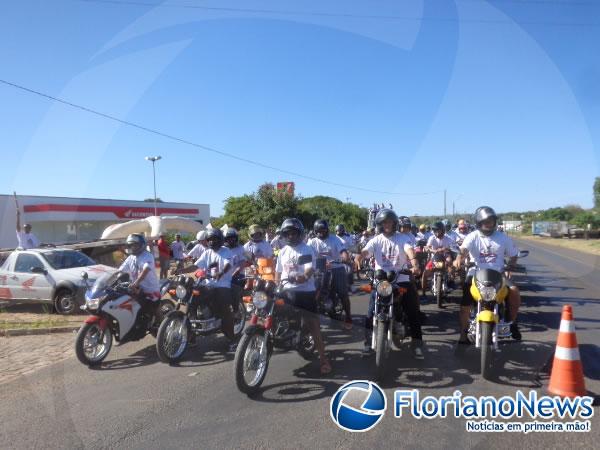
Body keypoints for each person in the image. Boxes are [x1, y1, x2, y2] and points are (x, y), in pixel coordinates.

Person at [356, 209, 424, 358]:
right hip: (381, 281)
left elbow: (409, 250)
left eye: (390, 222)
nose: (387, 225)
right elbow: (366, 251)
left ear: (395, 223)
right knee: (370, 313)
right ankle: (367, 344)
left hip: (401, 279)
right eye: (384, 222)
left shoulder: (402, 238)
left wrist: (414, 264)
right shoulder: (376, 240)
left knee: (413, 311)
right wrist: (359, 258)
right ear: (380, 224)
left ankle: (417, 344)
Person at [454, 206, 522, 344]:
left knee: (514, 291)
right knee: (465, 304)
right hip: (475, 273)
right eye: (486, 221)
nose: (489, 223)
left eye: (491, 221)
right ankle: (462, 335)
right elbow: (464, 250)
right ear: (479, 222)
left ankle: (512, 323)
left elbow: (514, 254)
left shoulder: (503, 238)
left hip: (498, 274)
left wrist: (512, 264)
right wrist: (458, 259)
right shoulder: (472, 236)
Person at [276, 218, 331, 374]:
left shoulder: (306, 249)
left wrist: (304, 277)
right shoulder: (283, 251)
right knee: (269, 309)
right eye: (288, 233)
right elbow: (279, 271)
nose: (291, 236)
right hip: (286, 290)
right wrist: (275, 284)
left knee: (313, 324)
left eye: (294, 233)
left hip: (305, 291)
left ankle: (323, 359)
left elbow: (309, 269)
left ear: (299, 234)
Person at [177, 228, 238, 351]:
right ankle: (191, 335)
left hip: (223, 284)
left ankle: (232, 339)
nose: (211, 242)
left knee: (224, 310)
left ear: (220, 240)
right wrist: (181, 270)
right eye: (209, 240)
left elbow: (227, 264)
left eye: (214, 239)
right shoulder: (207, 252)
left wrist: (221, 273)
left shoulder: (226, 251)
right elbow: (196, 265)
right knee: (191, 300)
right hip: (208, 283)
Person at [308, 220, 353, 329]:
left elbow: (343, 251)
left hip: (336, 267)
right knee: (310, 292)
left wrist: (345, 257)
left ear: (327, 229)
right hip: (319, 270)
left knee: (343, 293)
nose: (321, 233)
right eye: (318, 231)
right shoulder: (312, 242)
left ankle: (348, 317)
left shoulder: (335, 239)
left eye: (323, 230)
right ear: (315, 231)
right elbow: (307, 254)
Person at [118, 233, 161, 318]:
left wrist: (136, 282)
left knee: (150, 310)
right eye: (130, 245)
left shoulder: (147, 256)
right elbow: (120, 270)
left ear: (142, 245)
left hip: (150, 290)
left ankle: (162, 324)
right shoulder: (131, 257)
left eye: (135, 245)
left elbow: (146, 269)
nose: (132, 247)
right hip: (136, 289)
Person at [422, 221, 457, 293]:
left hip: (445, 258)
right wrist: (431, 250)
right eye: (435, 230)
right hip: (434, 258)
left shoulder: (448, 239)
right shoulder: (432, 238)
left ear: (443, 230)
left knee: (450, 262)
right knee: (425, 273)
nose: (436, 232)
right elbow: (427, 247)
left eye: (438, 230)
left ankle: (451, 280)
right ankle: (423, 293)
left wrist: (445, 249)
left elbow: (453, 247)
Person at [224, 228, 248, 311]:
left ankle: (236, 311)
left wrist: (233, 274)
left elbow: (242, 264)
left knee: (233, 290)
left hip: (238, 275)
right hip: (225, 276)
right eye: (228, 238)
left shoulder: (241, 248)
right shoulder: (224, 249)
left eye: (233, 238)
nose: (231, 240)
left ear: (236, 238)